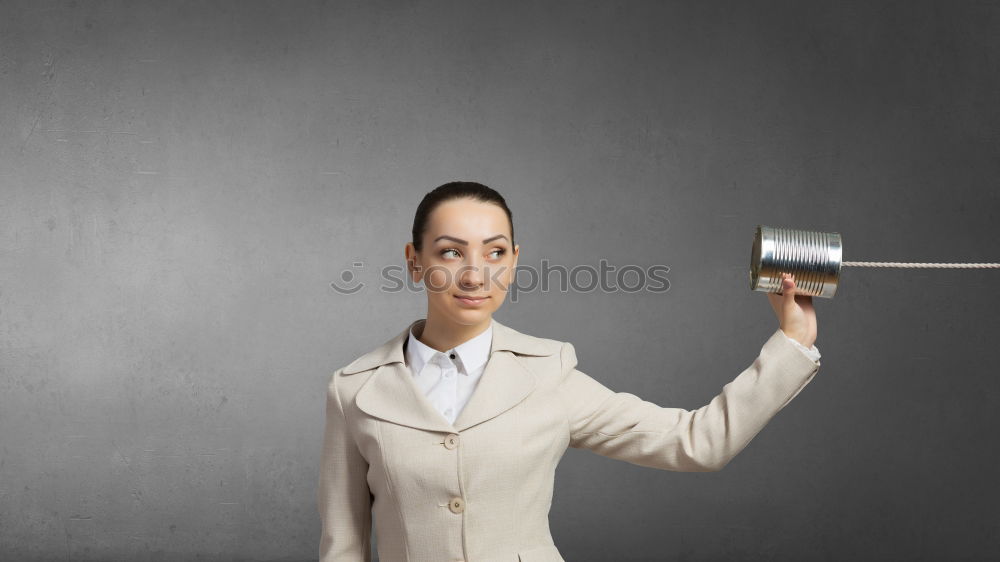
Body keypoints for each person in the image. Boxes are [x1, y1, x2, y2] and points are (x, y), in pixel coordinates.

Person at [318, 181, 821, 562]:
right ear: (414, 261)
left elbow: (696, 442)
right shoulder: (356, 390)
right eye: (451, 252)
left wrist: (792, 343)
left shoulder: (549, 374)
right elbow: (343, 548)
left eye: (495, 252)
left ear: (514, 262)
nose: (475, 274)